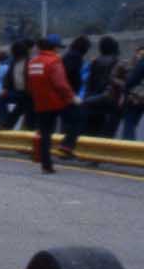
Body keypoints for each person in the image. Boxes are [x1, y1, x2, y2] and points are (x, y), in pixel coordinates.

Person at [28, 35, 79, 174]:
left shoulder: (33, 63)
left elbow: (30, 85)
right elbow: (61, 84)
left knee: (45, 134)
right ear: (54, 47)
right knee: (77, 120)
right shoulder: (54, 61)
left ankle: (46, 165)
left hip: (40, 103)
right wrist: (72, 98)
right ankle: (67, 145)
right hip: (57, 102)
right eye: (58, 48)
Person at [80, 36, 123, 137]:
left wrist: (87, 99)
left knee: (91, 134)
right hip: (110, 104)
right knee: (107, 136)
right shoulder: (117, 62)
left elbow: (89, 83)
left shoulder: (94, 62)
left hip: (93, 103)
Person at [121, 46, 144, 141]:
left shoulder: (141, 64)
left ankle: (128, 146)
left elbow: (131, 81)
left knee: (129, 123)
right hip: (141, 97)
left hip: (136, 97)